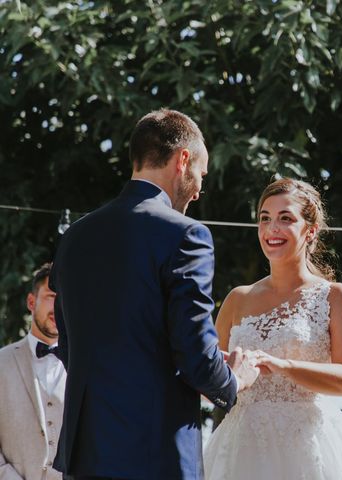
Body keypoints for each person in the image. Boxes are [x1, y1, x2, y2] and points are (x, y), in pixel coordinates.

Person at [49, 109, 259, 480]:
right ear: (182, 160)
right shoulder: (186, 235)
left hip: (85, 455)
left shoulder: (75, 236)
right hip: (154, 452)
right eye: (201, 174)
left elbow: (67, 345)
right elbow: (194, 352)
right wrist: (233, 379)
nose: (199, 189)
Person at [203, 177, 342, 479]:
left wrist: (282, 365)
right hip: (241, 448)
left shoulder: (335, 296)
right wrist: (225, 374)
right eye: (265, 219)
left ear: (310, 231)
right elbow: (208, 383)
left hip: (309, 447)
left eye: (286, 219)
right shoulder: (237, 299)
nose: (272, 229)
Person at [0, 263, 65, 480]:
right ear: (31, 301)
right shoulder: (2, 362)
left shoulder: (87, 367)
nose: (59, 306)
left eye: (66, 298)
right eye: (52, 295)